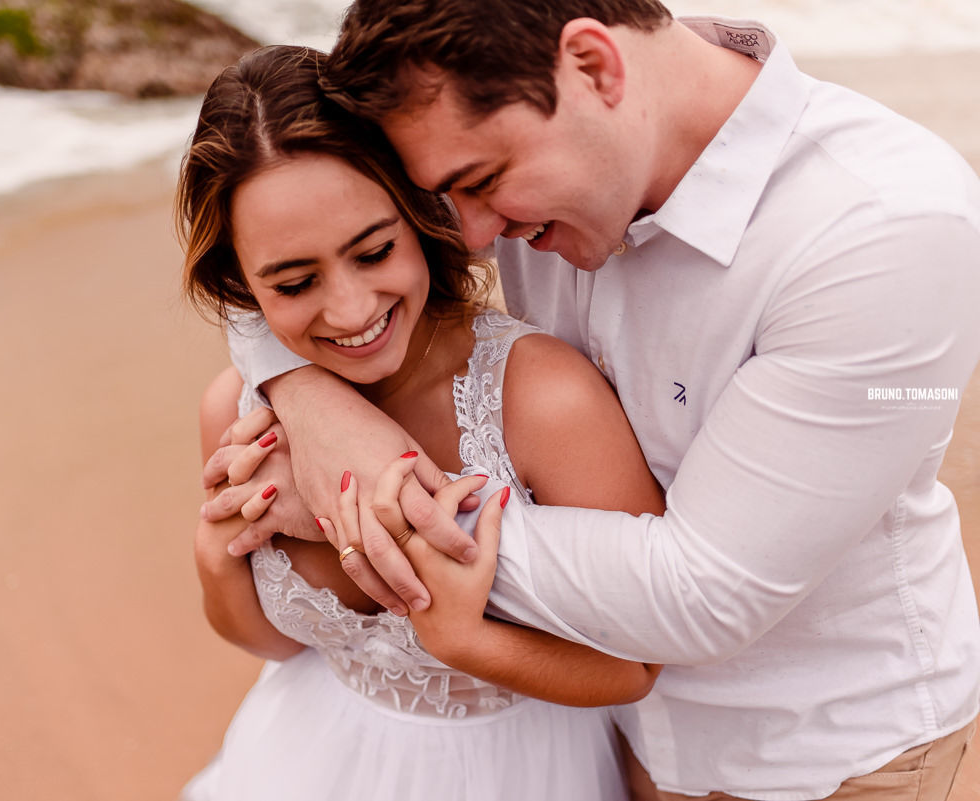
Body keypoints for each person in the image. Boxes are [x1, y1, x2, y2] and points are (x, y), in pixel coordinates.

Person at [207, 2, 980, 799]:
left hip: (827, 757)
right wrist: (311, 400)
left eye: (481, 184)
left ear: (594, 67)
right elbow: (273, 234)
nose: (469, 237)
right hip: (610, 742)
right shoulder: (501, 135)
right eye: (441, 195)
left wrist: (371, 501)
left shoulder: (884, 227)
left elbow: (705, 594)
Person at [178, 45, 666, 801]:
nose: (351, 310)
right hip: (302, 756)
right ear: (241, 283)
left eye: (374, 252)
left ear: (419, 213)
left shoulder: (543, 400)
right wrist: (217, 553)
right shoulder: (236, 410)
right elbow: (276, 644)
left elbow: (635, 667)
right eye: (295, 282)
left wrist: (464, 639)